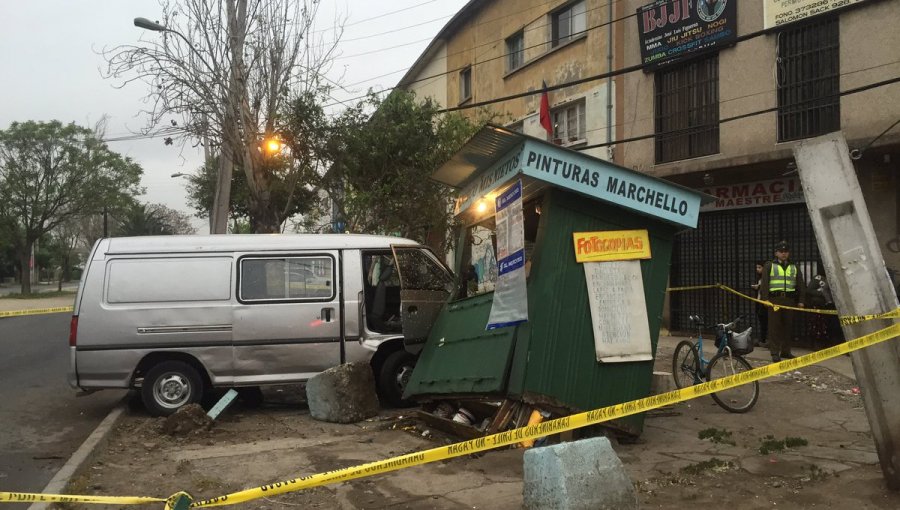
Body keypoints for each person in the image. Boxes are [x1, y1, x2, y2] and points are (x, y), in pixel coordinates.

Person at [759, 241, 806, 362]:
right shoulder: (769, 265)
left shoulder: (794, 266)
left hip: (789, 300)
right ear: (776, 253)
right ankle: (775, 352)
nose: (784, 254)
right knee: (774, 326)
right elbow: (764, 284)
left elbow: (800, 284)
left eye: (786, 252)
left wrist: (801, 301)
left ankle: (786, 351)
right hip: (774, 299)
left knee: (788, 326)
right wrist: (765, 299)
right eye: (781, 252)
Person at [750, 260, 768, 347]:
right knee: (761, 321)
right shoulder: (759, 277)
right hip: (759, 301)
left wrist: (759, 287)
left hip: (765, 302)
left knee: (765, 321)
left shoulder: (767, 277)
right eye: (757, 267)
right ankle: (762, 339)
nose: (757, 269)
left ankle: (764, 339)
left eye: (759, 267)